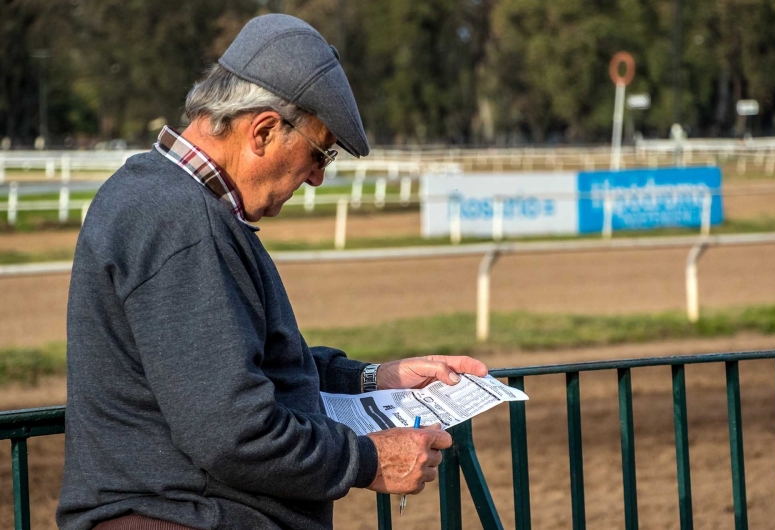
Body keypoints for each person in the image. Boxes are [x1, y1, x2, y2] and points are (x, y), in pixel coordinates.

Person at [56, 14, 488, 530]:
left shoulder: (165, 197)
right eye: (318, 152)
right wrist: (370, 460)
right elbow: (236, 432)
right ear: (262, 131)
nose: (317, 177)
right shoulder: (183, 220)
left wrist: (374, 379)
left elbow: (240, 367)